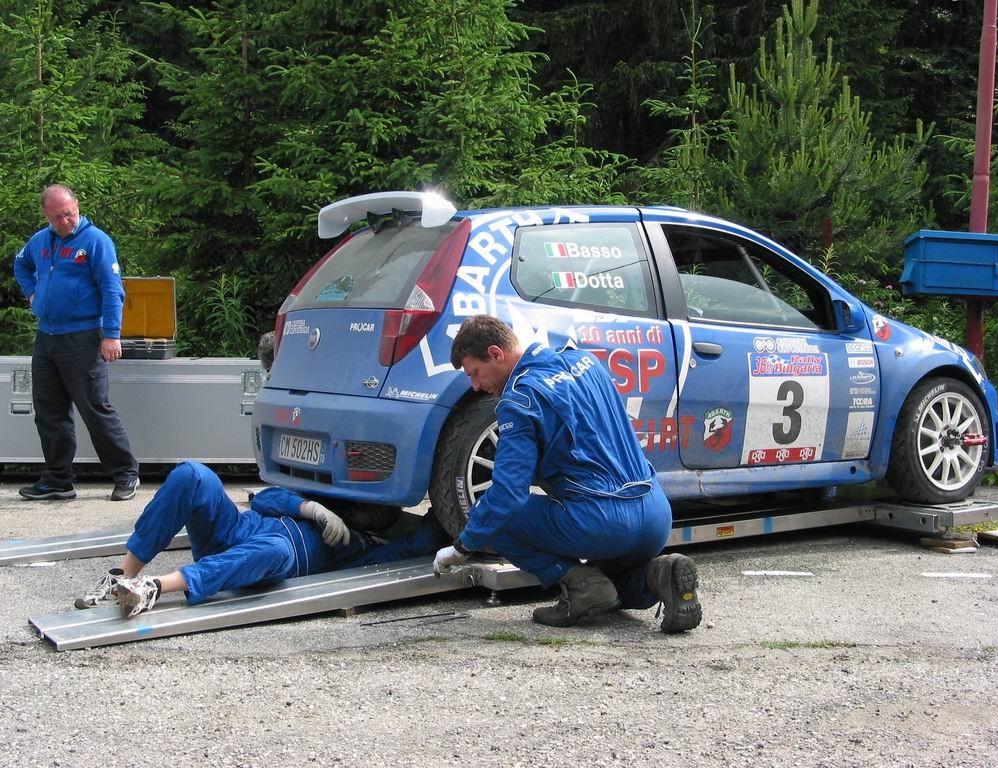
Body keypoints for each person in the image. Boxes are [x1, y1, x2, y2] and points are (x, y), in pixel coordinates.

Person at [432, 315, 702, 634]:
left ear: (495, 353)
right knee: (612, 587)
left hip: (604, 522)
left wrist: (462, 547)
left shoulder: (520, 399)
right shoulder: (584, 360)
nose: (475, 386)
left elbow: (508, 496)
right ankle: (659, 576)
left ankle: (579, 585)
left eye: (474, 373)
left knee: (489, 514)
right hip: (655, 514)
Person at [76, 460, 449, 619]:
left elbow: (434, 531)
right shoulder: (326, 500)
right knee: (193, 474)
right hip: (234, 531)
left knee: (277, 548)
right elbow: (266, 498)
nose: (373, 510)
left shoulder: (372, 549)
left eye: (383, 510)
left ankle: (154, 588)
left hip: (272, 561)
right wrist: (311, 509)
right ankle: (121, 576)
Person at [13, 184, 139, 502]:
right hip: (47, 338)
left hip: (84, 337)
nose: (66, 221)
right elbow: (21, 264)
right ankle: (58, 479)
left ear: (77, 205)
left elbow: (113, 290)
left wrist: (111, 335)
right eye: (58, 217)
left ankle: (126, 473)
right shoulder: (40, 241)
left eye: (69, 213)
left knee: (94, 408)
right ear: (46, 215)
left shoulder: (96, 241)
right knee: (49, 411)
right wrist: (32, 293)